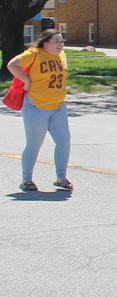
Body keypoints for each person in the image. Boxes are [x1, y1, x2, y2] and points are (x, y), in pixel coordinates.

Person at [7, 29, 73, 191]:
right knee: (34, 144)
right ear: (46, 43)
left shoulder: (62, 55)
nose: (60, 44)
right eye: (56, 41)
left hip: (58, 106)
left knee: (64, 141)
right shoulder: (34, 54)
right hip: (36, 106)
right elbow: (12, 65)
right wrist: (26, 81)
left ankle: (61, 178)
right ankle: (26, 180)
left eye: (61, 40)